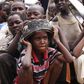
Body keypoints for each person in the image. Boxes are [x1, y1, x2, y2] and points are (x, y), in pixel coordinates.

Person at [14, 19, 74, 84]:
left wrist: (57, 41)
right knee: (27, 69)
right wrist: (29, 46)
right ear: (30, 41)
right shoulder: (26, 53)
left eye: (45, 38)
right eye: (37, 39)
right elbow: (26, 65)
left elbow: (69, 59)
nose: (42, 42)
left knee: (58, 61)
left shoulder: (50, 51)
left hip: (42, 80)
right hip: (26, 81)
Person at [53, 0, 83, 83]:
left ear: (68, 2)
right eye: (56, 2)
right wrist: (71, 50)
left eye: (62, 0)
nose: (59, 3)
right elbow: (65, 46)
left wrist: (75, 48)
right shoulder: (56, 19)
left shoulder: (77, 16)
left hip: (79, 48)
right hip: (66, 50)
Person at [0, 12, 27, 84]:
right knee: (3, 58)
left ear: (24, 22)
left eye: (18, 22)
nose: (14, 25)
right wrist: (19, 33)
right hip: (19, 66)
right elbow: (9, 52)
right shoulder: (10, 38)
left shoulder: (31, 34)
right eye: (11, 24)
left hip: (33, 64)